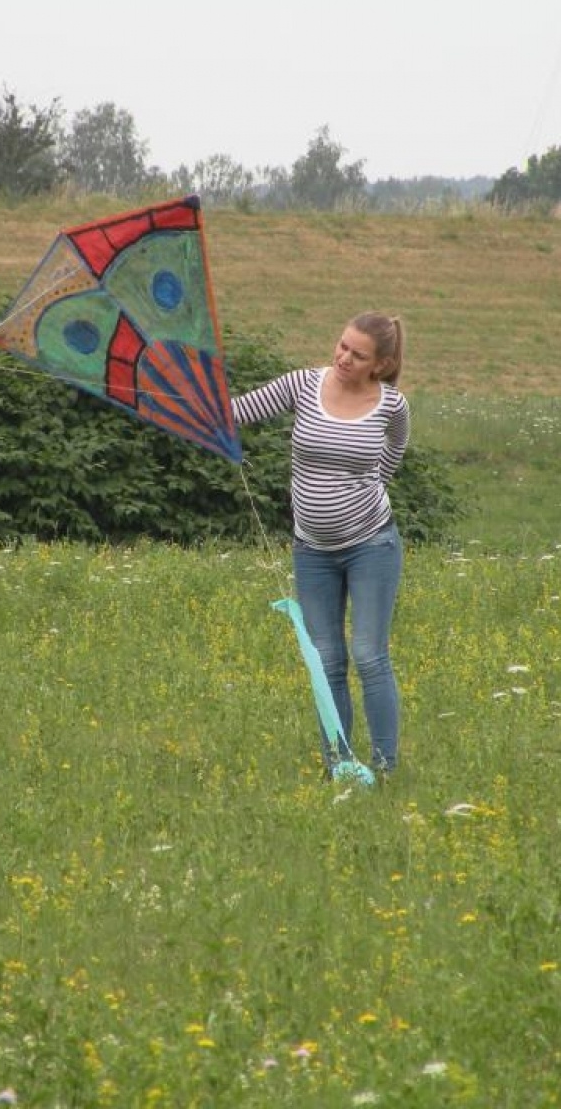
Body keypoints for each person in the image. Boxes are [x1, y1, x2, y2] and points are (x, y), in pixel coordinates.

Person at [232, 313, 411, 776]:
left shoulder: (392, 406)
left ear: (382, 364)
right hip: (311, 550)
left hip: (372, 544)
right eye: (342, 346)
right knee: (326, 658)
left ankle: (386, 767)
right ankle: (341, 765)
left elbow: (391, 458)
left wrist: (352, 500)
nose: (344, 358)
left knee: (369, 654)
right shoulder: (304, 384)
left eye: (358, 354)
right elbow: (236, 413)